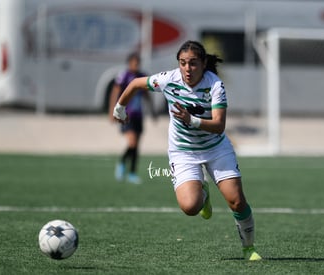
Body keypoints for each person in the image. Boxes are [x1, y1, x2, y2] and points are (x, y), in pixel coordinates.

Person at [113, 40, 262, 260]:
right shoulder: (168, 80)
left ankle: (249, 249)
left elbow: (219, 125)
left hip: (215, 148)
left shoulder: (215, 86)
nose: (187, 69)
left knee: (236, 201)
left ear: (203, 64)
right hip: (183, 152)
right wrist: (119, 107)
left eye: (193, 63)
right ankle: (203, 190)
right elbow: (135, 83)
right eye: (183, 63)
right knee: (190, 206)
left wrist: (191, 120)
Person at [109, 52, 154, 184]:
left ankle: (132, 173)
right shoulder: (124, 76)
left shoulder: (141, 76)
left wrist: (153, 111)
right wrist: (112, 111)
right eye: (134, 62)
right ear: (129, 63)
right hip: (126, 115)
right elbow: (115, 93)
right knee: (132, 143)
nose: (136, 65)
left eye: (138, 62)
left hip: (138, 115)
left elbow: (146, 95)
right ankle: (122, 163)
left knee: (137, 145)